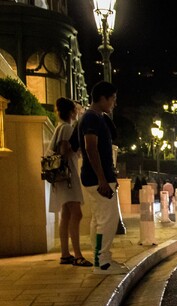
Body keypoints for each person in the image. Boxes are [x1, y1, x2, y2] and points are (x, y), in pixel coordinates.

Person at [78, 81, 129, 274]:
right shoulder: (91, 118)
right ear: (102, 98)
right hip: (98, 179)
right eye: (113, 99)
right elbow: (91, 148)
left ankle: (100, 260)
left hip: (96, 177)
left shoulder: (96, 117)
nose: (114, 103)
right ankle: (103, 262)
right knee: (107, 220)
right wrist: (102, 179)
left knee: (99, 219)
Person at [47, 97, 92, 267]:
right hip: (68, 177)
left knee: (65, 214)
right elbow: (65, 149)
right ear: (72, 112)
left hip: (61, 178)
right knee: (76, 214)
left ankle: (65, 254)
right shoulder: (67, 128)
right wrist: (76, 149)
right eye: (76, 110)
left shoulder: (60, 127)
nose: (78, 112)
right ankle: (78, 255)